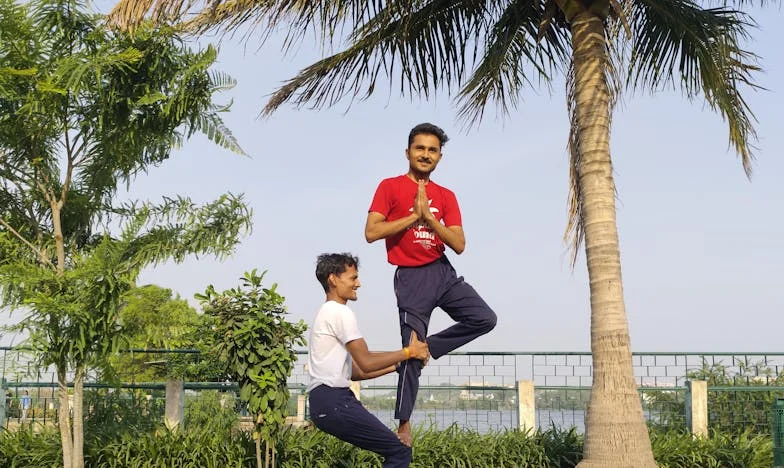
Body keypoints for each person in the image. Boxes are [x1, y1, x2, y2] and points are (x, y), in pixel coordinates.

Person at [365, 122, 498, 445]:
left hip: (442, 271)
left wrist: (431, 219)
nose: (426, 154)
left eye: (432, 150)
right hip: (411, 276)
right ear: (408, 152)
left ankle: (430, 348)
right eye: (420, 148)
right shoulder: (390, 187)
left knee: (485, 318)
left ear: (440, 156)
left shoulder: (446, 195)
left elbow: (459, 243)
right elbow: (371, 232)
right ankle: (404, 424)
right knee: (409, 352)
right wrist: (414, 216)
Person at [307, 253, 430, 467]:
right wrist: (409, 352)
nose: (358, 284)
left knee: (395, 450)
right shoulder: (339, 312)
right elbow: (366, 361)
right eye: (353, 278)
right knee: (399, 451)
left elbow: (356, 371)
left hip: (325, 402)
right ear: (333, 279)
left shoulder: (325, 313)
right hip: (334, 400)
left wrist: (397, 364)